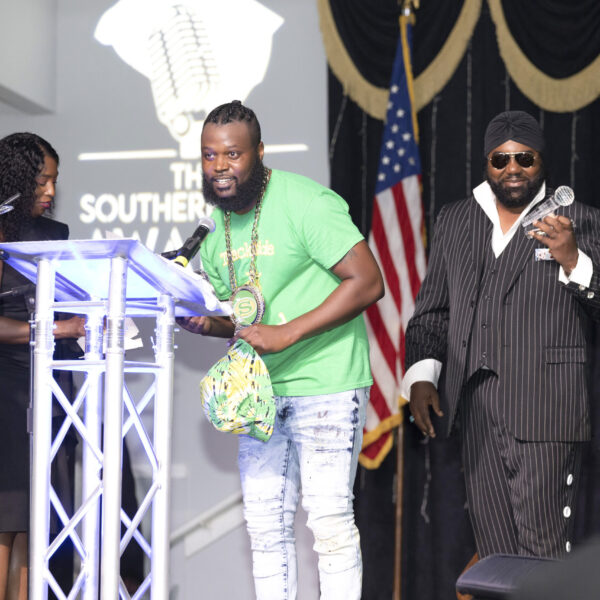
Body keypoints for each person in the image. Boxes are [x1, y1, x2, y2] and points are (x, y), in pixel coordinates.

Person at [177, 100, 384, 599]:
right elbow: (244, 317)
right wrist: (207, 323)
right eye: (209, 155)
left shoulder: (306, 201)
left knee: (330, 524)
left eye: (232, 154)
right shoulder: (214, 229)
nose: (219, 166)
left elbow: (368, 281)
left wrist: (287, 333)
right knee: (265, 528)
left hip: (326, 382)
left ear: (259, 152)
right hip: (261, 394)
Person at [403, 110, 600, 560]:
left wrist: (574, 260)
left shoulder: (580, 220)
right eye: (500, 160)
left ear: (542, 161)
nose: (512, 168)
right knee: (496, 559)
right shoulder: (456, 219)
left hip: (547, 414)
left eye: (524, 158)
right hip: (474, 413)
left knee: (544, 559)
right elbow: (432, 311)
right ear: (486, 164)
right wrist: (422, 377)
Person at [0, 133, 86, 600]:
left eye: (55, 180)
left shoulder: (56, 236)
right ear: (15, 180)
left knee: (39, 526)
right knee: (6, 522)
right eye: (41, 181)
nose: (51, 191)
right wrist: (55, 328)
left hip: (52, 394)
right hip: (7, 398)